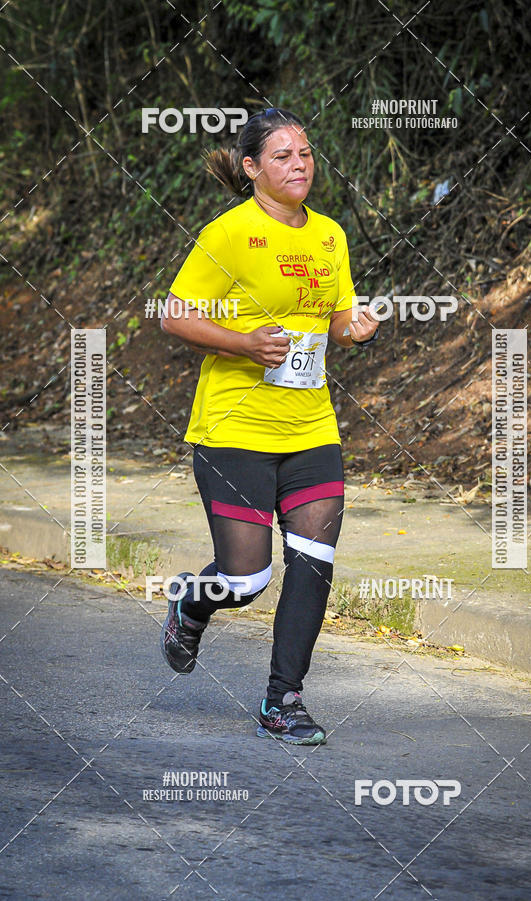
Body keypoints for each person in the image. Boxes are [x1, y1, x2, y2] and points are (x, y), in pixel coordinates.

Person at [160, 107, 378, 745]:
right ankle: (192, 604)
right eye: (282, 156)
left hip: (311, 428)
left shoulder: (329, 236)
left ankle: (283, 700)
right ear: (252, 168)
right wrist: (242, 343)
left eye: (305, 153)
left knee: (313, 563)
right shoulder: (229, 234)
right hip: (234, 430)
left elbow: (336, 315)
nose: (299, 165)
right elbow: (175, 316)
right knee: (247, 579)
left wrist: (354, 328)